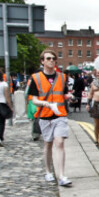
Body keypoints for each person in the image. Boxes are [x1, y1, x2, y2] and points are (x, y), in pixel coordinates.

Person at [28, 49, 73, 187]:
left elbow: (63, 94)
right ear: (42, 61)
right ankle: (48, 171)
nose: (52, 60)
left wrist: (69, 97)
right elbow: (34, 100)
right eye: (48, 58)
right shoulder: (35, 78)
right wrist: (45, 103)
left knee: (59, 142)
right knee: (48, 143)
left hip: (60, 115)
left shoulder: (62, 77)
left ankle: (61, 176)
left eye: (53, 58)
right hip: (45, 115)